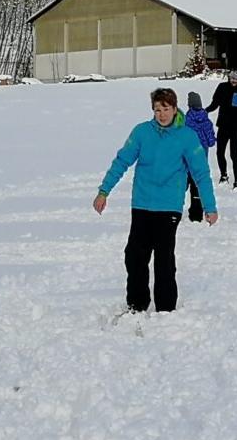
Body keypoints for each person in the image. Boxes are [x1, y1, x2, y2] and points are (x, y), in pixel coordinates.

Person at [93, 87, 218, 313]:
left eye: (166, 108)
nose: (161, 114)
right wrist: (104, 191)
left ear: (174, 108)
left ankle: (165, 308)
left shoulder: (186, 136)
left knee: (163, 258)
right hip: (141, 203)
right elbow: (122, 161)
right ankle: (137, 304)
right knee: (134, 256)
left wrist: (209, 206)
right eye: (157, 109)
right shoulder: (142, 132)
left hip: (169, 206)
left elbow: (201, 173)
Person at [183, 89, 217, 222]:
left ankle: (172, 210)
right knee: (196, 186)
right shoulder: (206, 121)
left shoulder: (186, 120)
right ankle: (196, 214)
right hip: (201, 160)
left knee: (180, 185)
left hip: (187, 159)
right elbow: (211, 141)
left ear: (189, 105)